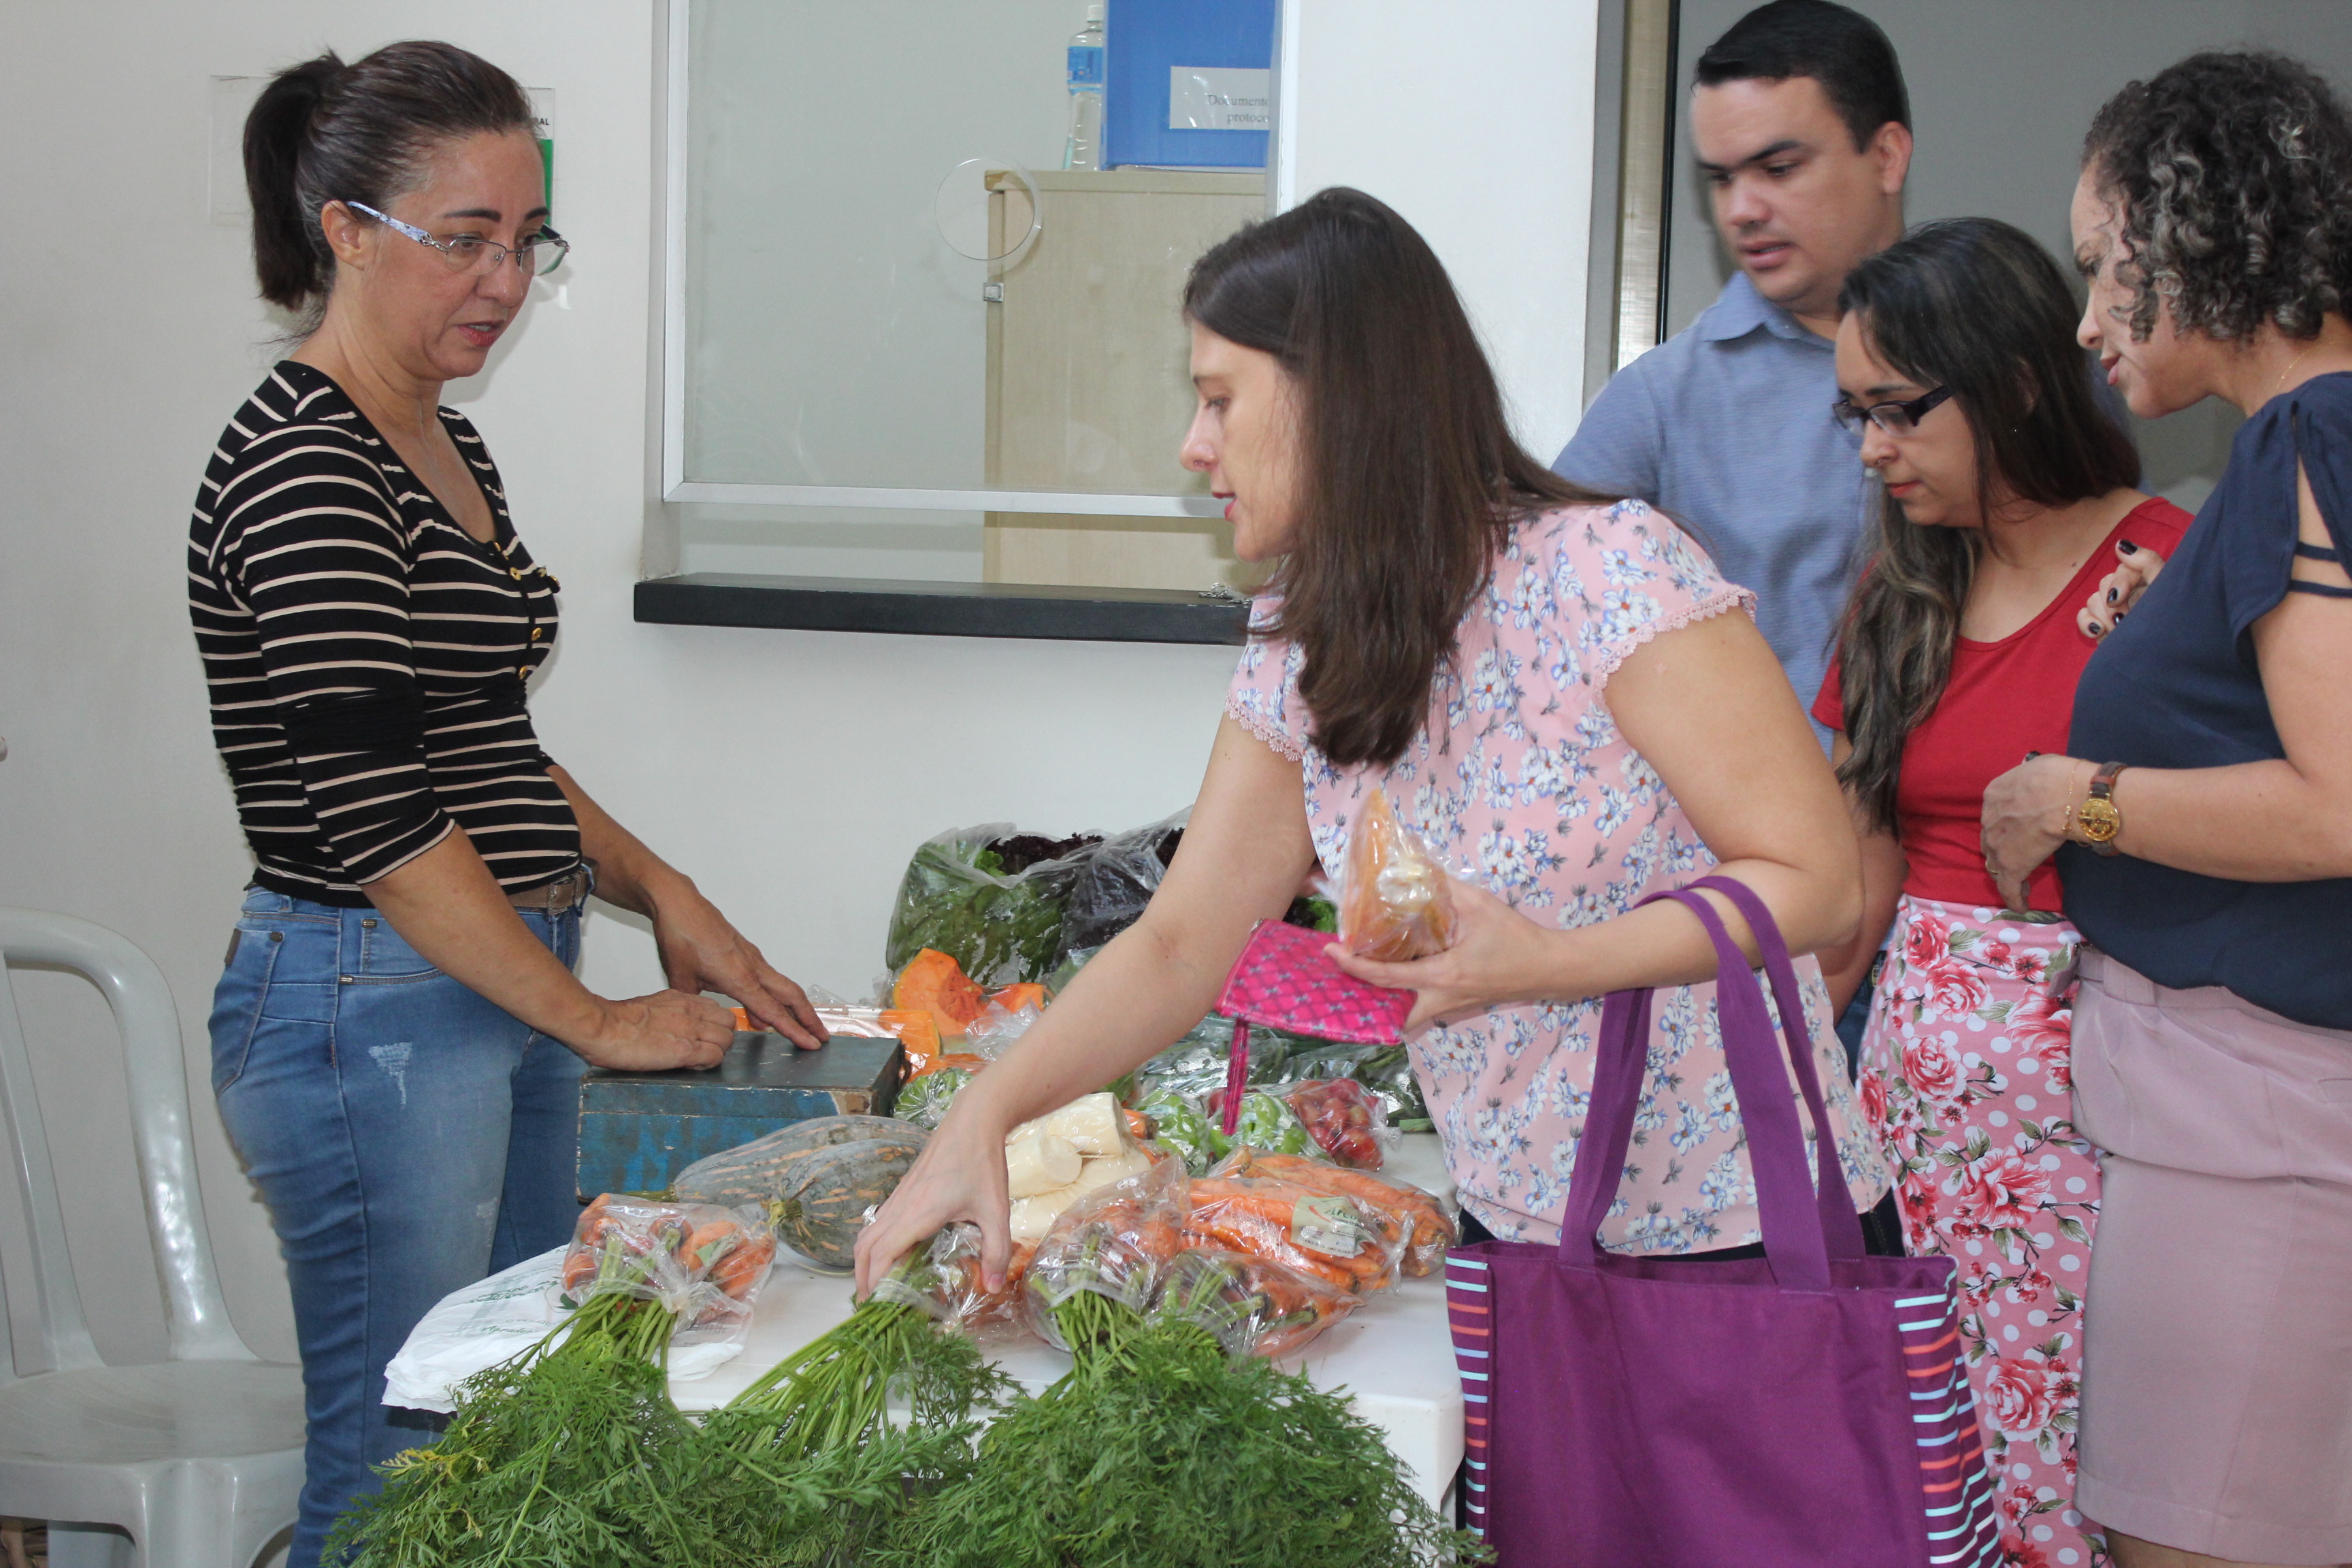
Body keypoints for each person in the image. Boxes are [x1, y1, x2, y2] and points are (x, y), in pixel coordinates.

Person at [855, 187, 1889, 1303]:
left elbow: (1819, 882)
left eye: (1218, 400)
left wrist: (1549, 962)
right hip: (1518, 1234)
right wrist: (986, 1111)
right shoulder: (1302, 638)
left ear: (1335, 399)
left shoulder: (1611, 569)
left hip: (1738, 1236)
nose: (1194, 447)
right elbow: (1179, 946)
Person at [189, 43, 826, 1565]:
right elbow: (379, 821)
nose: (503, 278)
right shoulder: (304, 469)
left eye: (526, 239)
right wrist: (598, 1023)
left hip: (482, 987)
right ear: (346, 230)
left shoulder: (441, 440)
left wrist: (671, 896)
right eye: (461, 238)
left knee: (498, 1438)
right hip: (372, 1005)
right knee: (393, 1465)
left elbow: (478, 747)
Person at [1980, 50, 2352, 1568]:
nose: (2084, 322)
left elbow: (2338, 807)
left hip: (2255, 1129)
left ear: (2199, 233)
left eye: (2102, 267)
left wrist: (2084, 800)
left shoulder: (2304, 436)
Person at [1812, 216, 2193, 1568]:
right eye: (1857, 415)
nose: (1873, 449)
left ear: (2017, 381)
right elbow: (1860, 868)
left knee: (2084, 1474)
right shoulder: (1904, 589)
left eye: (1901, 411)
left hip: (2105, 1132)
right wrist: (1792, 1078)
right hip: (1914, 1134)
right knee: (1916, 1461)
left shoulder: (2169, 568)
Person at [1554, 0, 1912, 1063]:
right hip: (1758, 929)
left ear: (1886, 152)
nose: (1745, 208)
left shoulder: (2032, 364)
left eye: (1780, 165)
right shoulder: (1659, 402)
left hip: (1977, 939)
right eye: (1720, 179)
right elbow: (1532, 639)